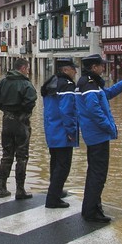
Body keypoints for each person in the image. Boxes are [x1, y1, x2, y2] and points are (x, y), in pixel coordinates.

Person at [76, 53, 122, 222]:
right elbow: (94, 110)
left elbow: (108, 94)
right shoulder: (89, 85)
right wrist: (110, 127)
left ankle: (93, 208)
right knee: (98, 174)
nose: (103, 68)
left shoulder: (90, 83)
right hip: (97, 136)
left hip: (94, 135)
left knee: (94, 173)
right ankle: (91, 212)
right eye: (101, 65)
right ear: (93, 68)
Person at [0, 58, 37, 199]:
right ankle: (20, 190)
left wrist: (5, 109)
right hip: (21, 123)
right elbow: (30, 102)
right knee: (22, 156)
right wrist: (20, 111)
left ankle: (2, 188)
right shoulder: (26, 84)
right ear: (22, 68)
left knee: (6, 155)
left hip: (6, 122)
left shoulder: (3, 82)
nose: (28, 71)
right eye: (27, 69)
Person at [40, 57, 79, 208]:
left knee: (55, 163)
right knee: (63, 165)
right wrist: (71, 131)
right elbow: (67, 110)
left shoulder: (51, 82)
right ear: (65, 70)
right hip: (63, 132)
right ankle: (53, 198)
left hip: (52, 130)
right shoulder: (67, 85)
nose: (75, 71)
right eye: (73, 68)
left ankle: (55, 190)